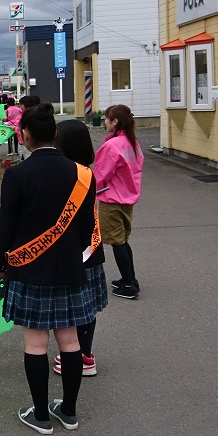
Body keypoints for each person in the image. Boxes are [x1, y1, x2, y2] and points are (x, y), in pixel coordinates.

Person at [0, 103, 97, 435]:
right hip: (70, 271)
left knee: (36, 345)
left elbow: (4, 227)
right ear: (55, 134)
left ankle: (40, 415)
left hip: (28, 271)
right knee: (70, 344)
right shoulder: (83, 174)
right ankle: (68, 411)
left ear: (24, 137)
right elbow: (86, 230)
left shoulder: (17, 175)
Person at [52, 118, 105, 377]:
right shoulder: (86, 171)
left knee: (75, 306)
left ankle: (80, 356)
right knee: (88, 305)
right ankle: (85, 353)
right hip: (90, 247)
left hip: (74, 250)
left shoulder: (70, 174)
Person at [93, 104, 145, 300]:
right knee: (122, 240)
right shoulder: (132, 143)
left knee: (117, 242)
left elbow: (100, 175)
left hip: (112, 199)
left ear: (115, 121)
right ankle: (129, 278)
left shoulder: (111, 146)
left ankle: (129, 285)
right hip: (127, 197)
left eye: (107, 118)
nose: (105, 122)